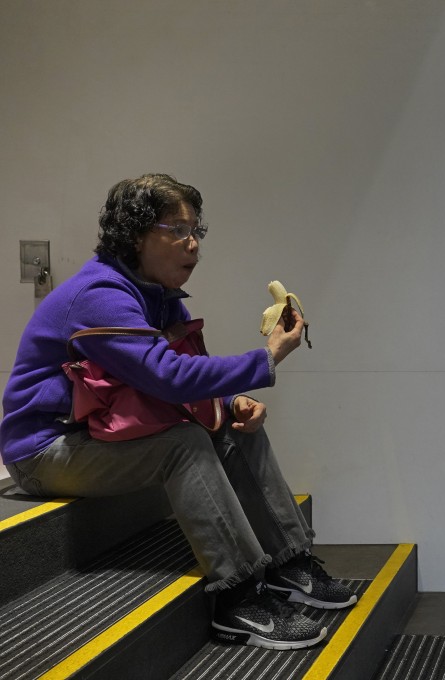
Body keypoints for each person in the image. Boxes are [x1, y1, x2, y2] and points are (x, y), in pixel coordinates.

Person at [0, 174, 356, 651]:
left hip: (96, 435)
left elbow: (176, 375)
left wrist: (231, 402)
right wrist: (266, 358)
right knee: (184, 444)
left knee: (234, 425)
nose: (193, 245)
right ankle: (239, 598)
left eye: (197, 232)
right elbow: (166, 377)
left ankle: (290, 563)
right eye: (178, 230)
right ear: (135, 235)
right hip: (44, 451)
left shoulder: (154, 293)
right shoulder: (98, 294)